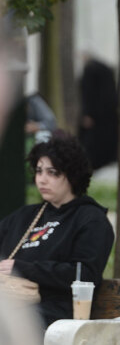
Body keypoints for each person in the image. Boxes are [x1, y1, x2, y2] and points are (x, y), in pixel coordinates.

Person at [0, 133, 114, 329]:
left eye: (52, 172)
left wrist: (22, 268)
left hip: (57, 314)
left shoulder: (91, 220)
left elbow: (84, 275)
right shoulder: (25, 216)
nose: (42, 180)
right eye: (39, 171)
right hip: (13, 304)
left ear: (72, 175)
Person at [78, 57, 119, 170]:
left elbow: (87, 94)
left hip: (97, 120)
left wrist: (87, 113)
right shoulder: (105, 72)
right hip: (105, 118)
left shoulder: (91, 71)